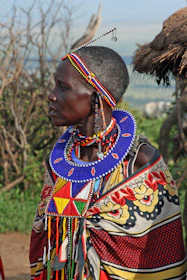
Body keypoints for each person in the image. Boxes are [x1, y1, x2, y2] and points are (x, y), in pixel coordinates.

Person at [29, 45, 186, 280]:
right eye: (55, 85)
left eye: (63, 87)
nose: (51, 95)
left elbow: (164, 253)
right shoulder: (59, 161)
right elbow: (44, 242)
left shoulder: (140, 163)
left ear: (95, 98)